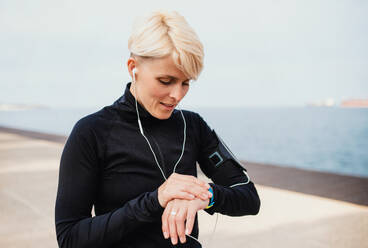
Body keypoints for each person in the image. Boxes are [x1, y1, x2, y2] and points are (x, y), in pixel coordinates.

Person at [54, 10, 260, 248]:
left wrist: (205, 196)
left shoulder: (192, 126)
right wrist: (156, 200)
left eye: (185, 83)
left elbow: (248, 197)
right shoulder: (92, 132)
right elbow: (70, 238)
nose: (177, 95)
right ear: (134, 67)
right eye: (166, 81)